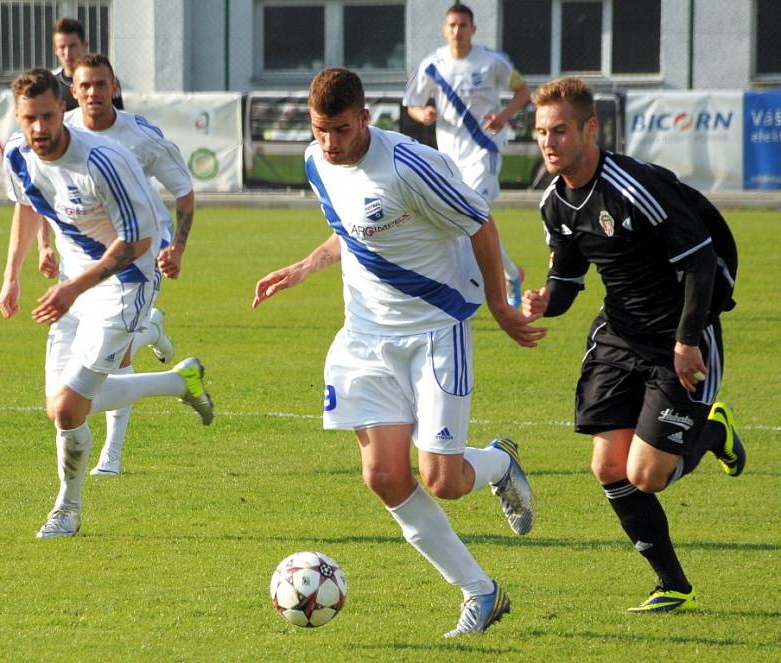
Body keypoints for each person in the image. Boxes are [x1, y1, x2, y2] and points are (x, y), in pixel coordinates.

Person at [254, 68, 545, 637]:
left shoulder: (411, 167)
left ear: (366, 117)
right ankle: (480, 592)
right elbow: (352, 228)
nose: (331, 144)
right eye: (320, 131)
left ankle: (498, 463)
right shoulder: (318, 162)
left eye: (341, 129)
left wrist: (501, 306)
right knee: (385, 476)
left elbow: (481, 226)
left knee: (443, 480)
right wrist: (302, 268)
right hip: (364, 336)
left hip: (436, 330)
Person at [524, 76, 745, 613]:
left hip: (680, 337)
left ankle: (711, 427)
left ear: (589, 129)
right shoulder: (555, 202)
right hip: (619, 336)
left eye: (559, 131)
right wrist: (543, 302)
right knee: (608, 467)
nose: (548, 143)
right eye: (539, 133)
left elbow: (698, 260)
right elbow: (570, 282)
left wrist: (688, 340)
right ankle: (672, 585)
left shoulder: (635, 186)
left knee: (649, 474)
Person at [0, 68, 213, 539]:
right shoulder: (17, 154)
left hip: (126, 285)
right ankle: (178, 382)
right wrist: (11, 275)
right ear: (18, 116)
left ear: (63, 112)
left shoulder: (103, 161)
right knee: (61, 408)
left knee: (69, 409)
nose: (40, 129)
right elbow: (29, 206)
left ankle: (66, 510)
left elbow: (137, 242)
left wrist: (74, 287)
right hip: (74, 287)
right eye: (29, 118)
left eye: (48, 117)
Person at [48, 53, 195, 476]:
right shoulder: (62, 132)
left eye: (101, 84)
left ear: (114, 88)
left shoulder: (141, 136)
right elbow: (44, 196)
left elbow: (183, 193)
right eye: (85, 85)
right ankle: (155, 331)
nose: (93, 92)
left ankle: (111, 454)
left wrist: (177, 249)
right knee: (82, 374)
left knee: (115, 355)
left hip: (138, 255)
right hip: (83, 259)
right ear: (71, 92)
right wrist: (44, 246)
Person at [403, 2, 529, 307]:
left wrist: (503, 117)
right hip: (448, 158)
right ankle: (512, 275)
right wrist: (424, 114)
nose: (457, 31)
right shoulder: (432, 64)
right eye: (452, 26)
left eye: (463, 26)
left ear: (473, 29)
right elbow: (412, 104)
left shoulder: (491, 62)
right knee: (464, 221)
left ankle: (476, 291)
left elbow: (523, 91)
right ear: (444, 29)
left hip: (484, 152)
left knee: (472, 217)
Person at [52, 18, 124, 112]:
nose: (67, 52)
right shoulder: (51, 84)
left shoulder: (107, 80)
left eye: (72, 46)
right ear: (55, 50)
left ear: (85, 45)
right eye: (62, 47)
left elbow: (118, 118)